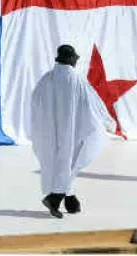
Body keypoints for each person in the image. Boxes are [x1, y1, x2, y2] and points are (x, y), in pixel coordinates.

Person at [30, 45, 115, 218]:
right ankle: (55, 198)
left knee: (60, 163)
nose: (76, 60)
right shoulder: (77, 80)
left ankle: (70, 200)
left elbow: (35, 102)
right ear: (69, 60)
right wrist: (107, 121)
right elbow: (93, 103)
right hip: (74, 131)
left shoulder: (47, 79)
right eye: (75, 58)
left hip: (51, 132)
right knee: (73, 161)